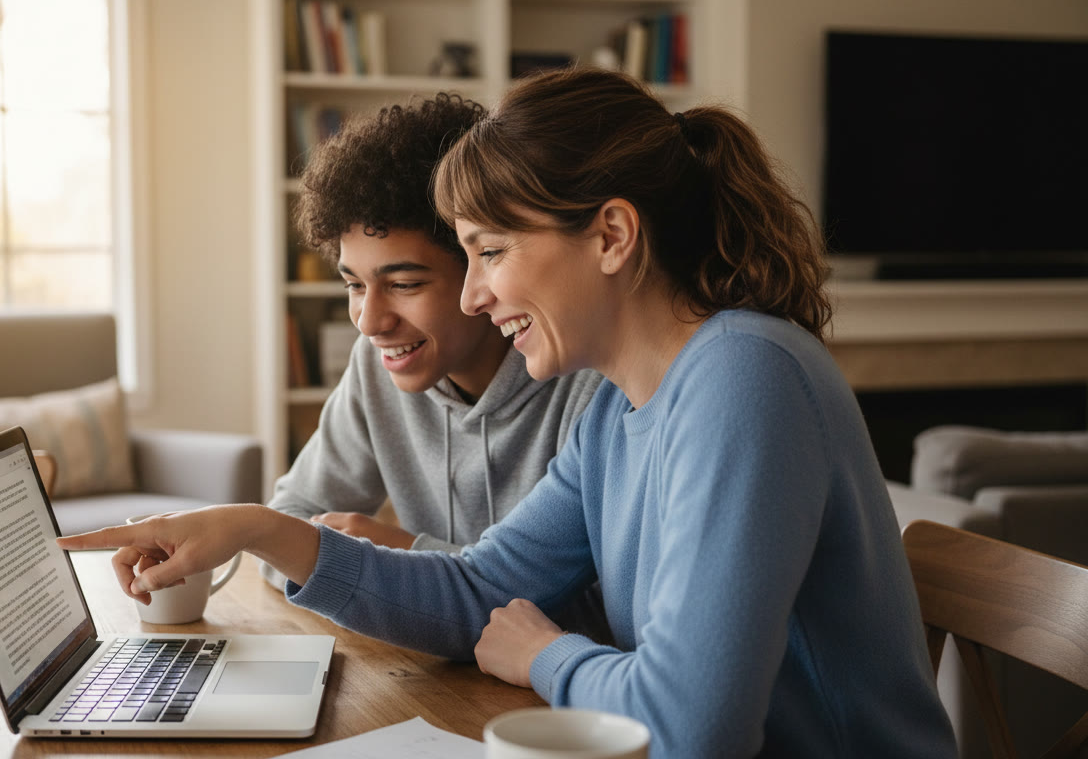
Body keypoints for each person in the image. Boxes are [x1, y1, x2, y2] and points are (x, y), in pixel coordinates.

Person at [59, 68, 957, 757]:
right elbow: (483, 589)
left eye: (489, 251)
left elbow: (692, 730)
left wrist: (544, 656)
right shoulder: (619, 407)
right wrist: (258, 527)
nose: (477, 293)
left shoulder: (744, 376)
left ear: (611, 236)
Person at [265, 93, 602, 588]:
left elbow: (598, 602)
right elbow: (288, 520)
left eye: (404, 285)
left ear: (483, 264)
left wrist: (401, 559)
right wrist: (365, 563)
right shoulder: (376, 363)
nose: (370, 322)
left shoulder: (584, 376)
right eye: (355, 285)